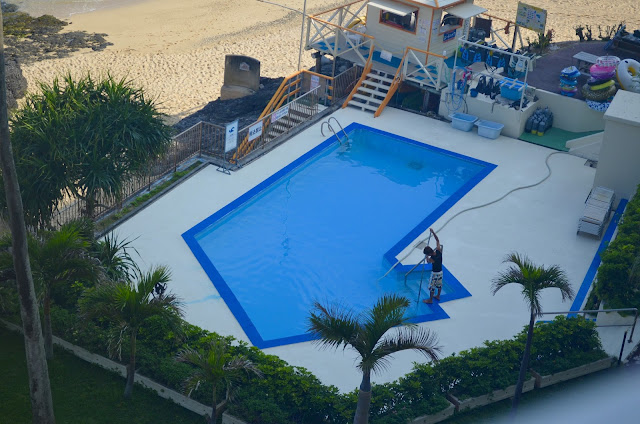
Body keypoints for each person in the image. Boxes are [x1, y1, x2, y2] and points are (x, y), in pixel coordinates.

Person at [422, 228, 442, 304]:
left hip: (434, 274)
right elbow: (437, 240)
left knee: (432, 287)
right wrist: (433, 232)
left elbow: (428, 262)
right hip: (440, 272)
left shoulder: (432, 259)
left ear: (429, 253)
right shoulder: (438, 250)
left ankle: (430, 300)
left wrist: (426, 256)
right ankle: (438, 296)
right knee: (439, 284)